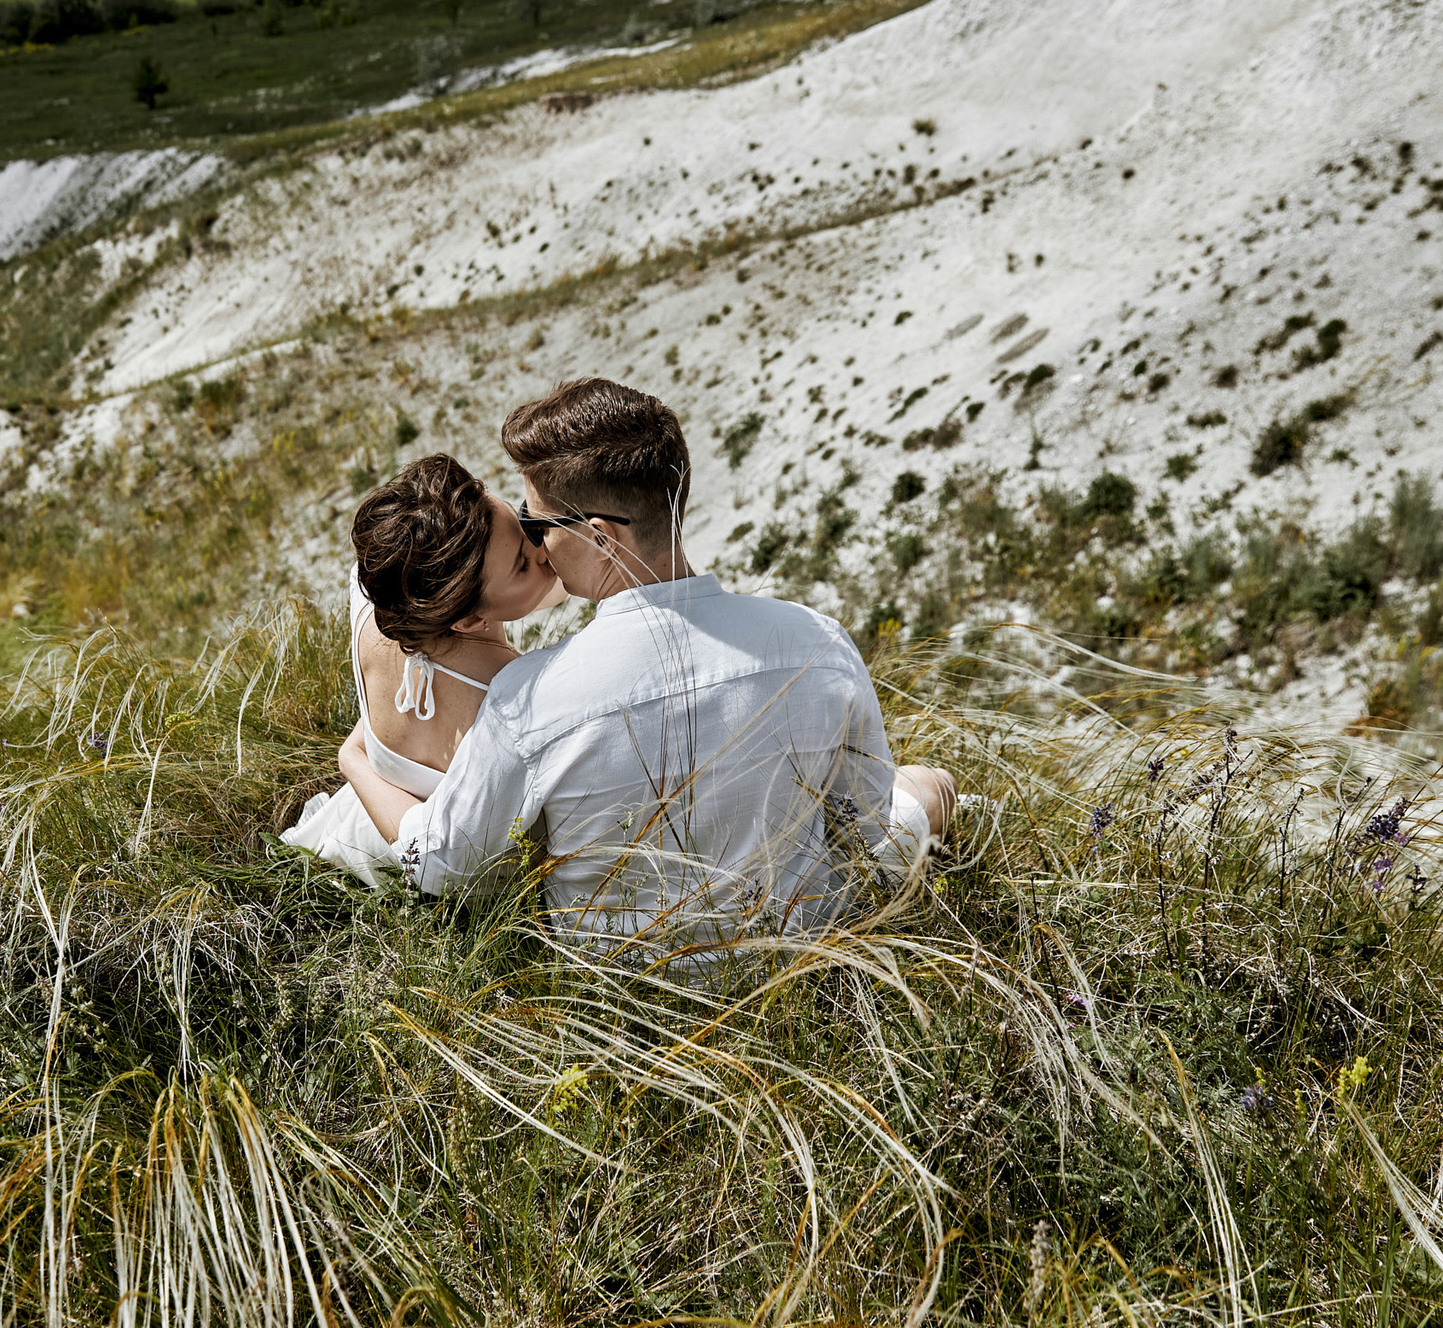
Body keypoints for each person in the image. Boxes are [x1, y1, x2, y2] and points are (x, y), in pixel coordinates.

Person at [340, 378, 954, 952]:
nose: (535, 542)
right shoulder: (820, 644)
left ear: (603, 538)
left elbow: (442, 866)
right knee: (927, 788)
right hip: (798, 949)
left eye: (537, 522)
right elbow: (862, 829)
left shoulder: (525, 701)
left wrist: (354, 760)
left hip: (621, 988)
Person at [279, 454, 566, 884]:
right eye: (522, 564)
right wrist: (350, 760)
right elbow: (442, 861)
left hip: (366, 831)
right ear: (469, 621)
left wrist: (358, 751)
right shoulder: (510, 697)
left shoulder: (379, 593)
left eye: (522, 525)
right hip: (463, 881)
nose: (541, 547)